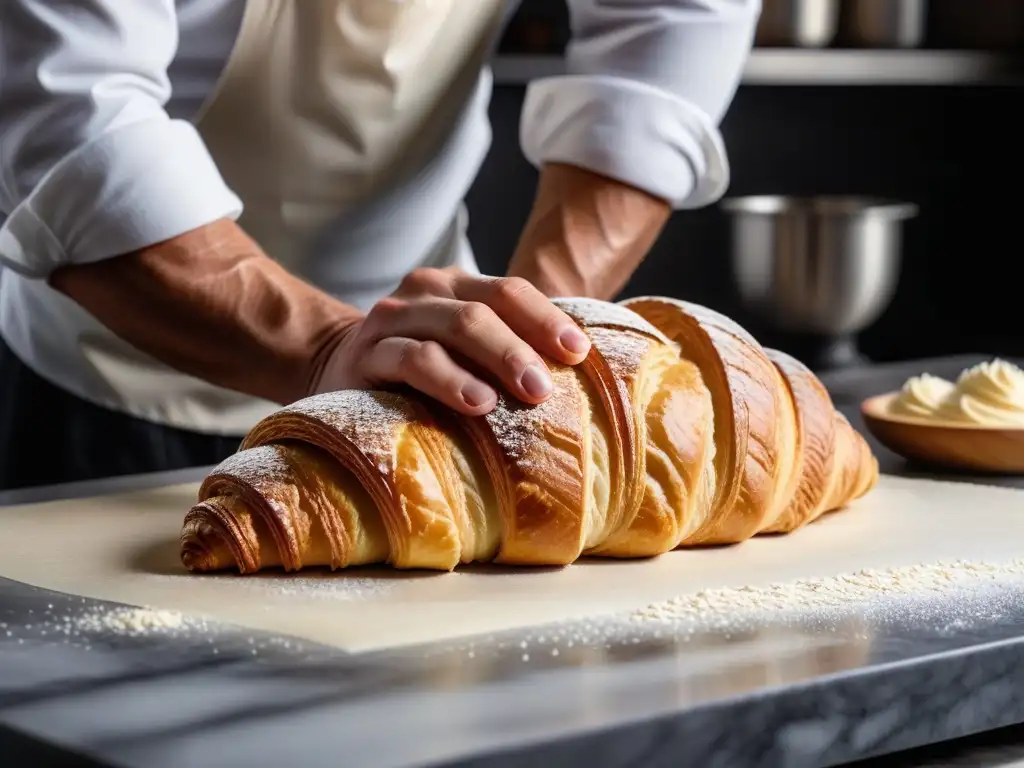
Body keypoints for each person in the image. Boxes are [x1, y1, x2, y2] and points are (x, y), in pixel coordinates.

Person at [0, 0, 759, 490]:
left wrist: (525, 342)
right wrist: (325, 348)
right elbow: (68, 115)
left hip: (428, 405)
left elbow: (665, 35)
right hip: (106, 382)